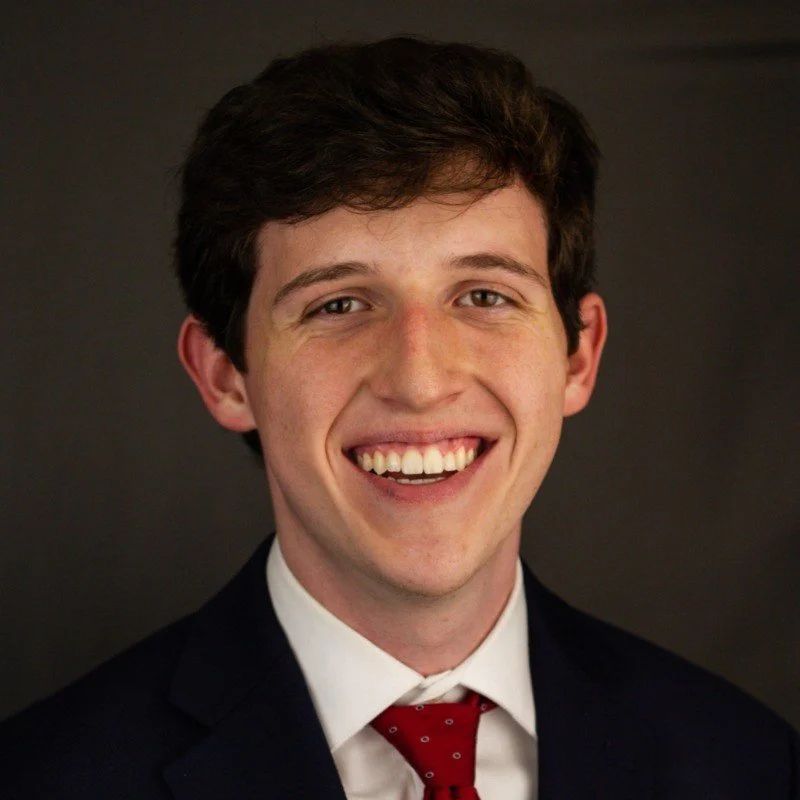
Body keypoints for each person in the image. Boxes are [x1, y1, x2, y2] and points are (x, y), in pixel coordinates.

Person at [0, 35, 796, 800]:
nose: (419, 380)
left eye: (484, 295)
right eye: (339, 305)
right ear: (226, 374)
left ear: (577, 356)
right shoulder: (41, 780)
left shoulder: (751, 767)